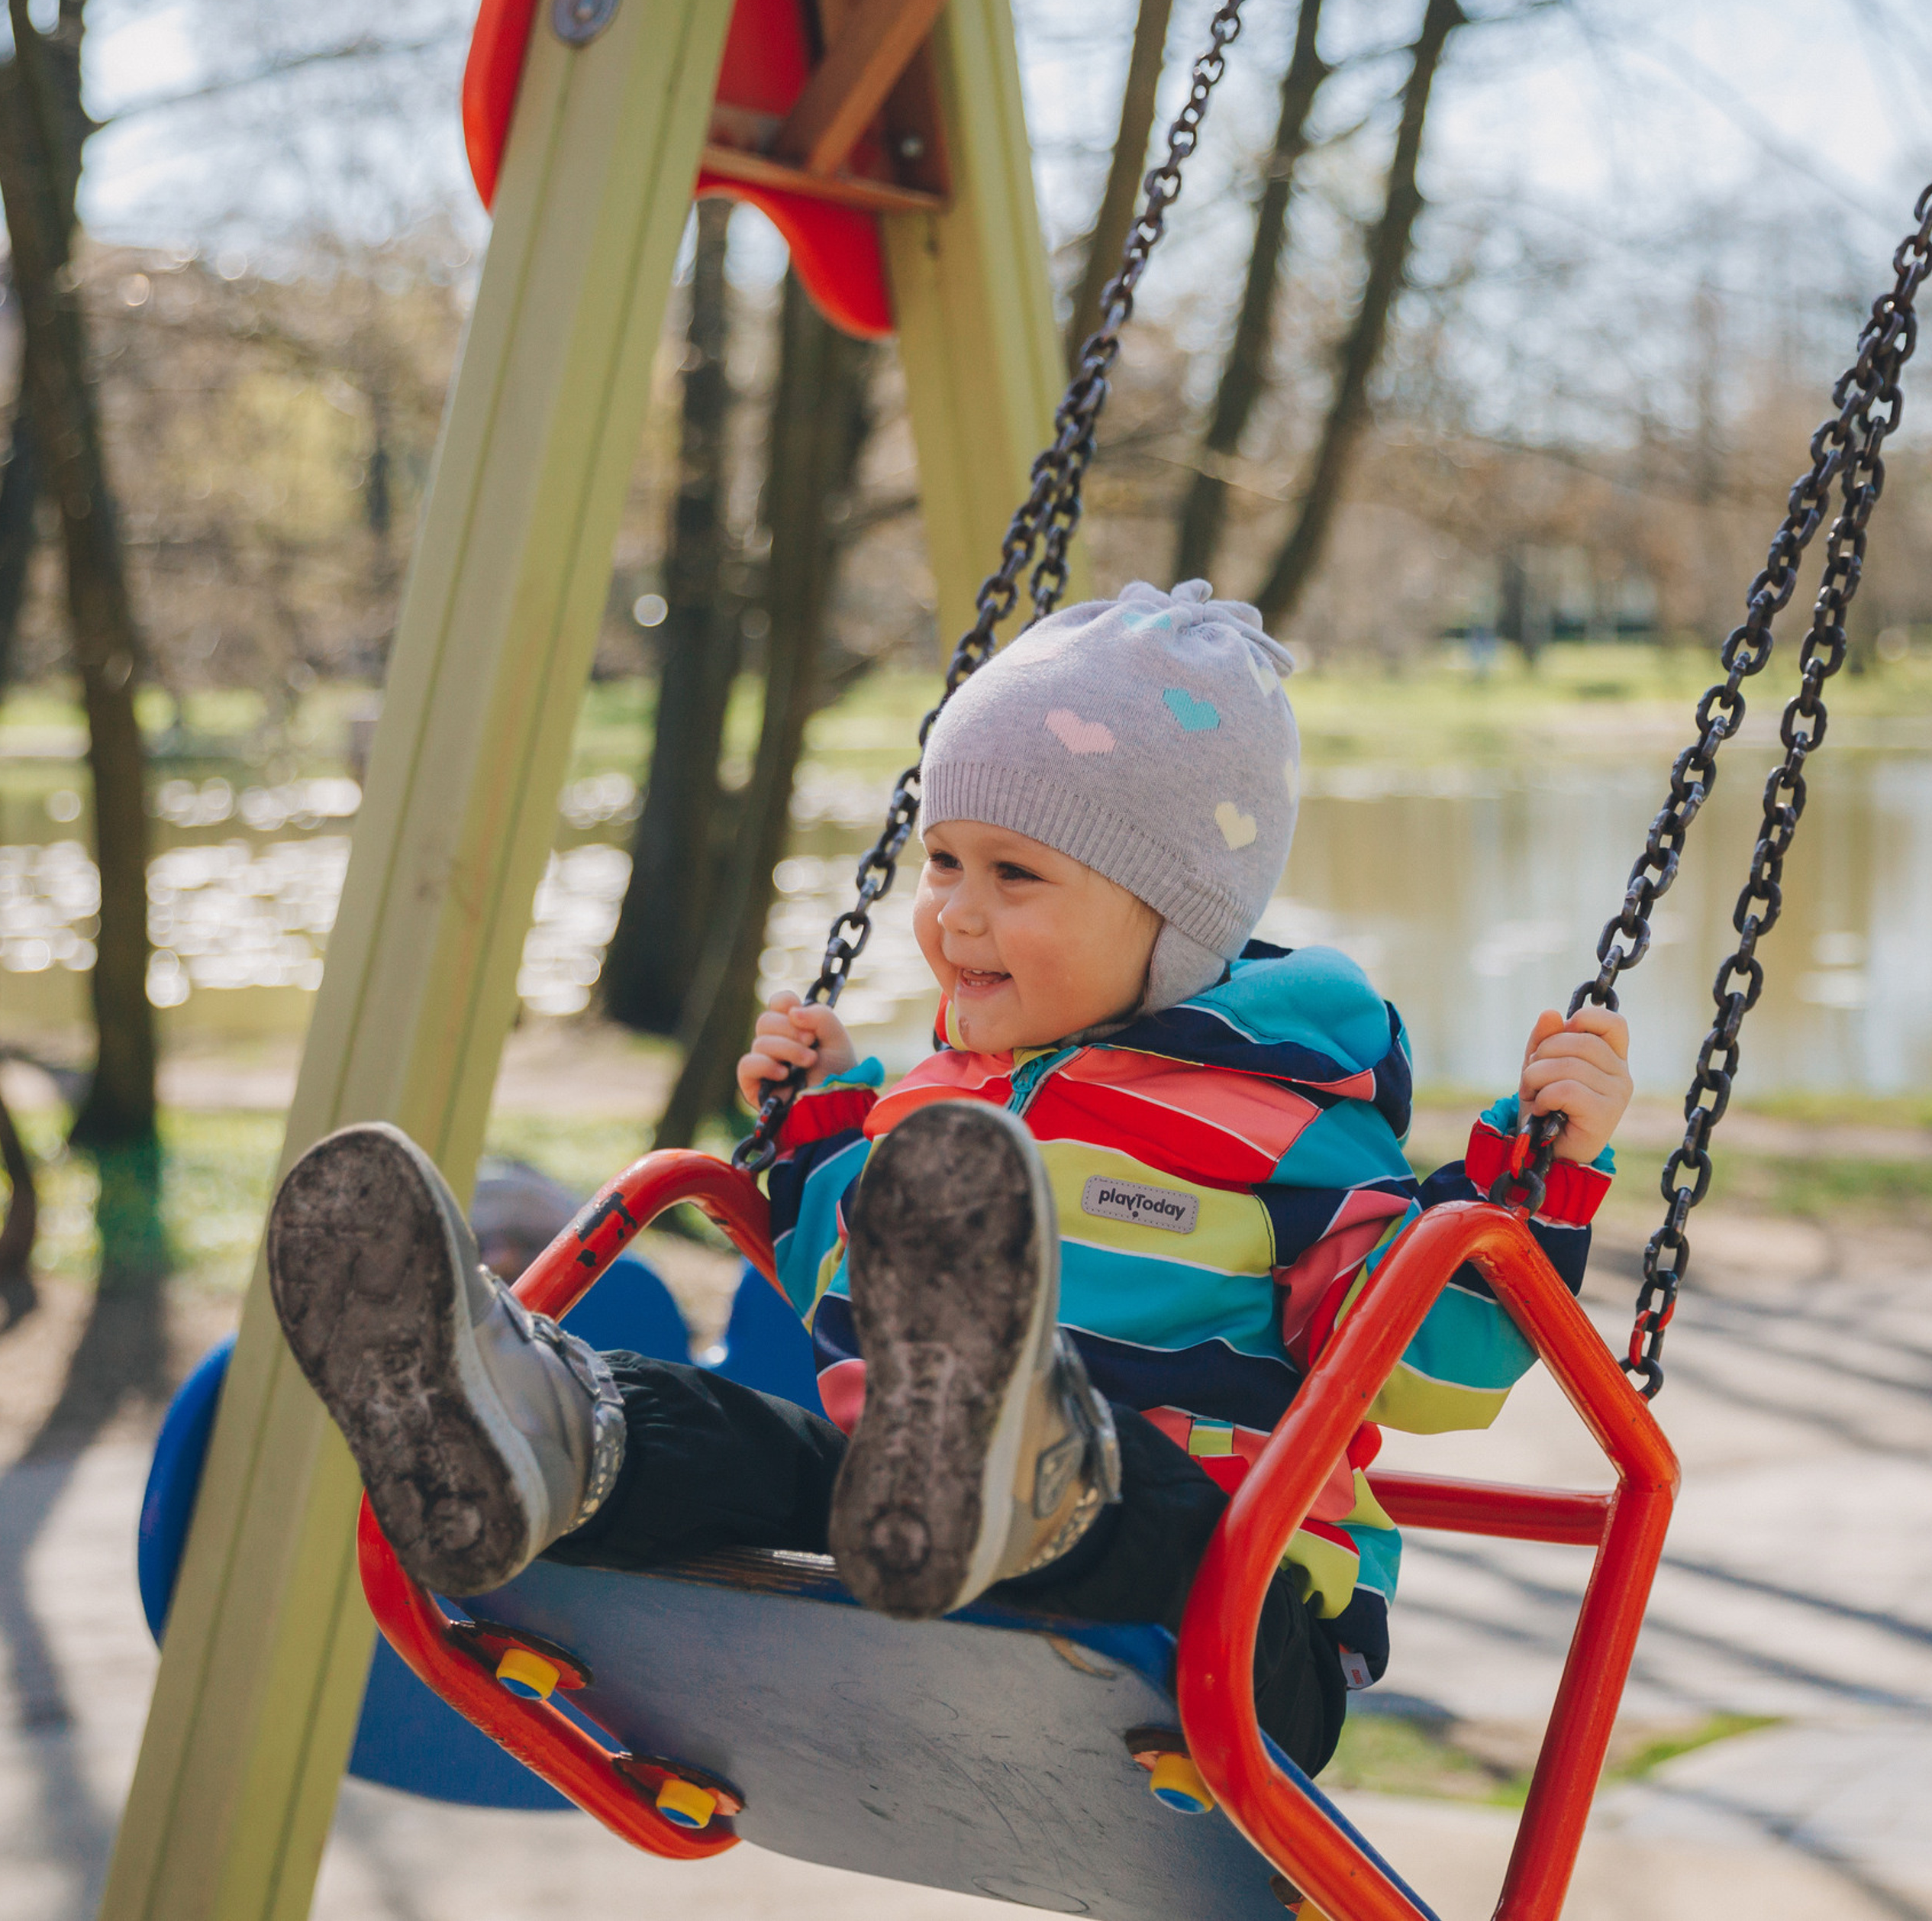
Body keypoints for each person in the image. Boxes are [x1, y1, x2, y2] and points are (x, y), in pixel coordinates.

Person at [267, 580, 1631, 1780]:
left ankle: (1017, 1455)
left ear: (1172, 918)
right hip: (914, 1537)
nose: (955, 914)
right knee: (755, 1441)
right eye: (941, 863)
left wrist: (1526, 1199)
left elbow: (1426, 1372)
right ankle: (527, 1430)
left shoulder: (1287, 1128)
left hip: (1231, 1615)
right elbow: (842, 1301)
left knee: (1101, 1489)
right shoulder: (936, 1100)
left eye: (1015, 874)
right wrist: (815, 1150)